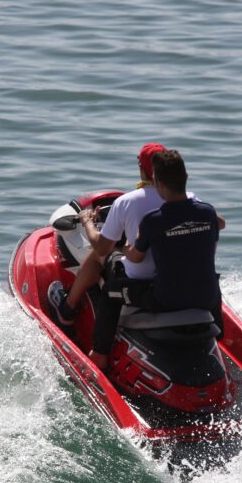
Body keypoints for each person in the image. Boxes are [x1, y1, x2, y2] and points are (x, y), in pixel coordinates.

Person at [48, 144, 223, 369]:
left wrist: (94, 226)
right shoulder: (203, 209)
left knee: (108, 283)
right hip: (204, 292)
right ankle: (221, 341)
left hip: (160, 294)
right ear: (185, 176)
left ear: (153, 176)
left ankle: (95, 349)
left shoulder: (151, 218)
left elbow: (119, 252)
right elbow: (218, 226)